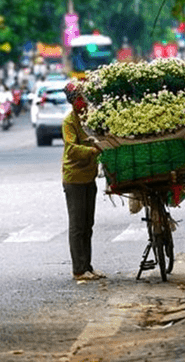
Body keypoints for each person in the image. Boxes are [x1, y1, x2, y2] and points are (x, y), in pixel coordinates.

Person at [61, 80, 106, 281]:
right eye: (79, 99)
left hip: (89, 176)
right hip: (74, 179)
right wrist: (92, 150)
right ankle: (79, 270)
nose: (83, 102)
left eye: (84, 98)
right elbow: (71, 149)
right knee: (78, 225)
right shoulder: (69, 122)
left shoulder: (89, 119)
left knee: (88, 224)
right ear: (73, 102)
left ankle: (87, 266)